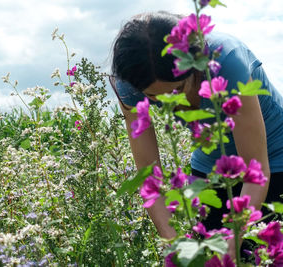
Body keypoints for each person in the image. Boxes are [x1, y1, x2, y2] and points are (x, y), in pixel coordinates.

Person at [110, 11, 283, 257]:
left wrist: (234, 240)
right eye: (155, 97)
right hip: (211, 167)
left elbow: (256, 171)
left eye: (178, 89)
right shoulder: (131, 83)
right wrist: (176, 245)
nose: (172, 104)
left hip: (276, 160)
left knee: (262, 254)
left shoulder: (226, 62)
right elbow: (149, 177)